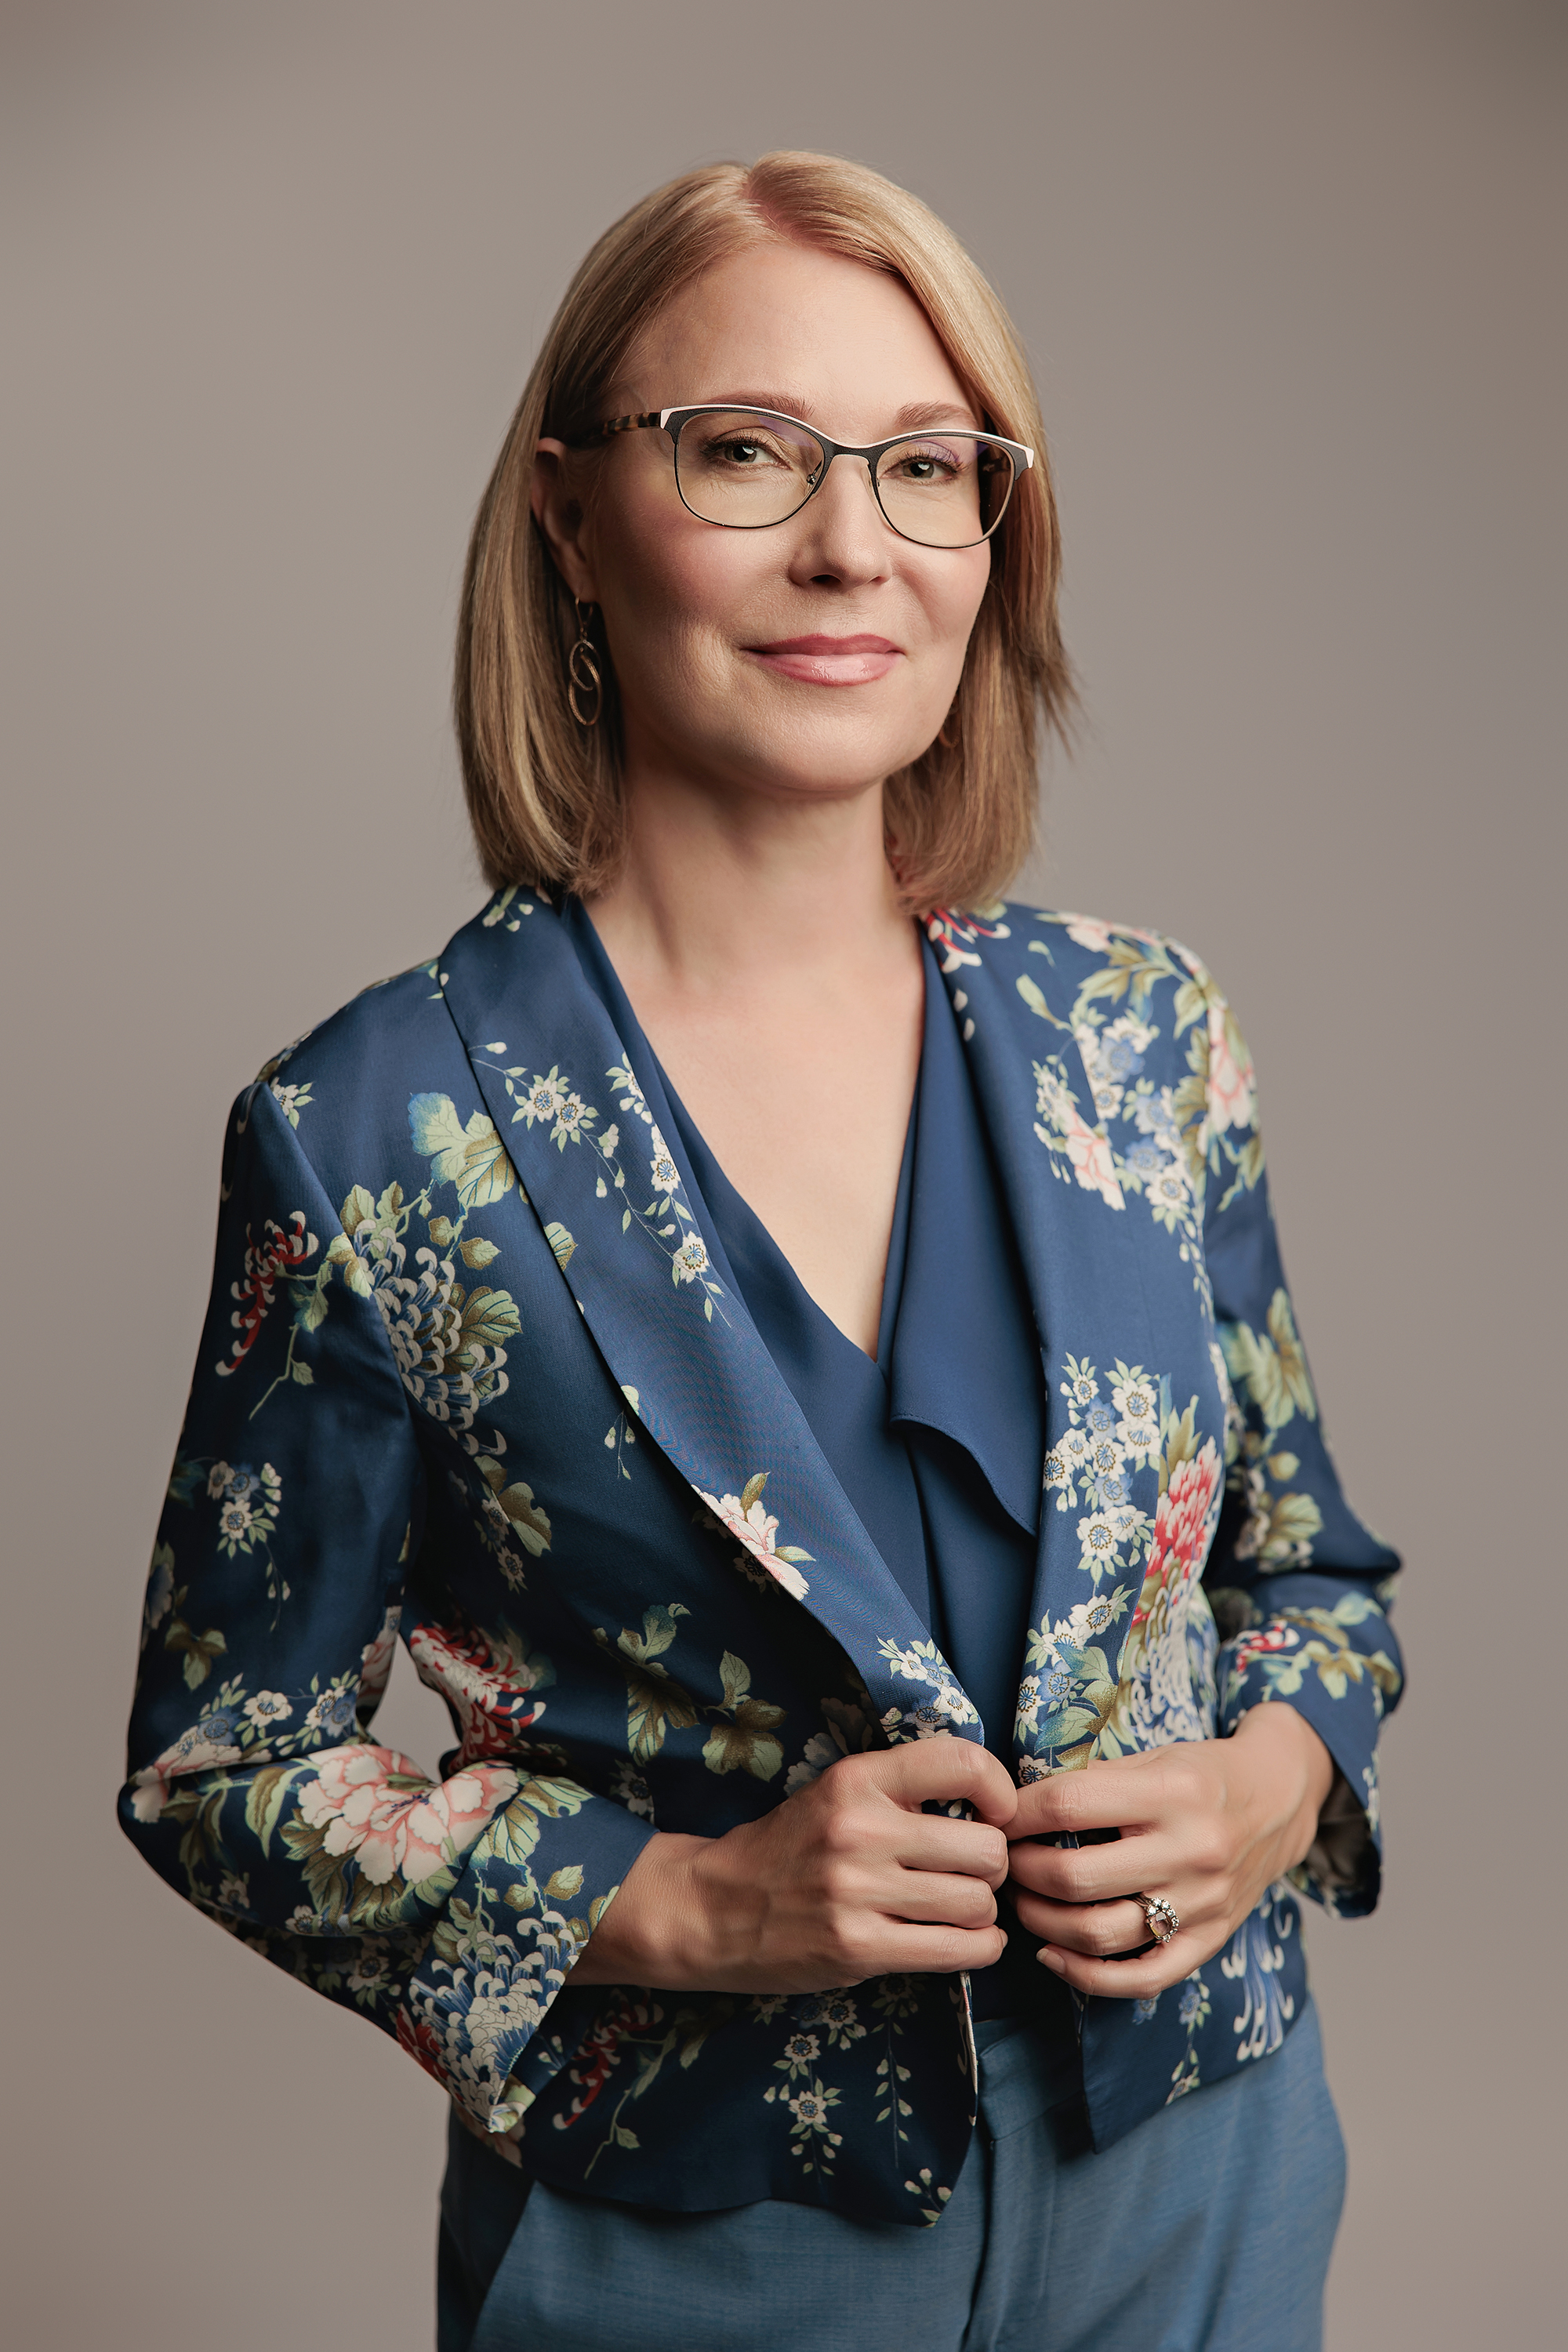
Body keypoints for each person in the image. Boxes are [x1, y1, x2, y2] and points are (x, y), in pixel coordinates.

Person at [121, 153, 1403, 2351]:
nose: (852, 548)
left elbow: (1311, 1586)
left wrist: (1266, 1788)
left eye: (929, 467)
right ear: (569, 513)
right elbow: (220, 1766)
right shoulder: (367, 1138)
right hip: (697, 2250)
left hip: (1201, 2172)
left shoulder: (1147, 1041)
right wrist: (686, 1906)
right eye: (748, 453)